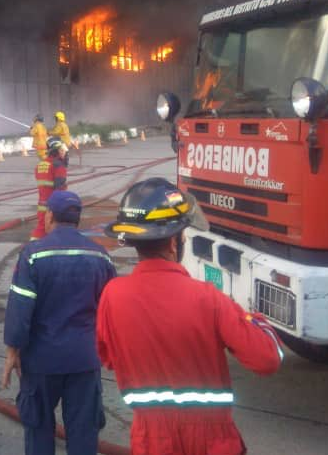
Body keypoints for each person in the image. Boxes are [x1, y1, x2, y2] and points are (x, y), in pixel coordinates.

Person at [96, 178, 284, 455]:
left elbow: (109, 358)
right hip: (211, 442)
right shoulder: (207, 298)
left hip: (150, 441)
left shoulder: (112, 296)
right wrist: (254, 320)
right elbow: (267, 360)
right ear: (174, 242)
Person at [2, 190, 117, 455]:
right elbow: (110, 309)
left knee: (38, 428)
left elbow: (21, 306)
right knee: (83, 432)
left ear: (49, 215)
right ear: (78, 218)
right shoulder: (101, 255)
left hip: (42, 361)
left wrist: (12, 351)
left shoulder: (33, 254)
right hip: (84, 361)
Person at [31, 137, 68, 241]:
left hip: (42, 204)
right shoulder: (58, 166)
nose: (64, 151)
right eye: (62, 149)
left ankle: (32, 249)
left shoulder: (40, 164)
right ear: (56, 151)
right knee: (58, 230)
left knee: (41, 229)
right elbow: (60, 188)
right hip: (54, 205)